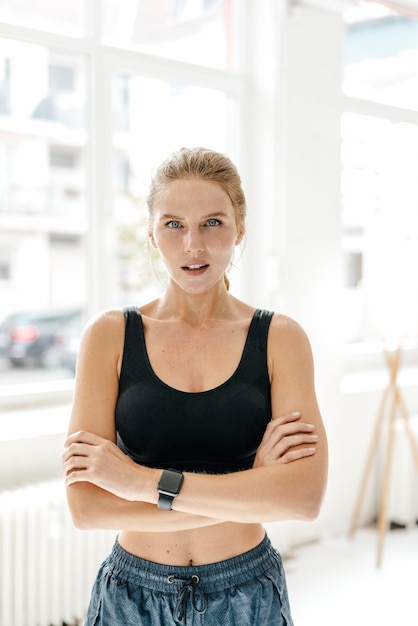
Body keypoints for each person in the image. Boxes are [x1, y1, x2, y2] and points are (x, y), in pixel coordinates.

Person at [62, 146, 328, 626]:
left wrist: (140, 483)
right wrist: (252, 489)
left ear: (239, 230)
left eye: (212, 223)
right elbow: (86, 507)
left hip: (245, 592)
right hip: (131, 595)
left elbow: (303, 498)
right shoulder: (109, 336)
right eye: (173, 224)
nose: (193, 246)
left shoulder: (280, 339)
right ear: (151, 234)